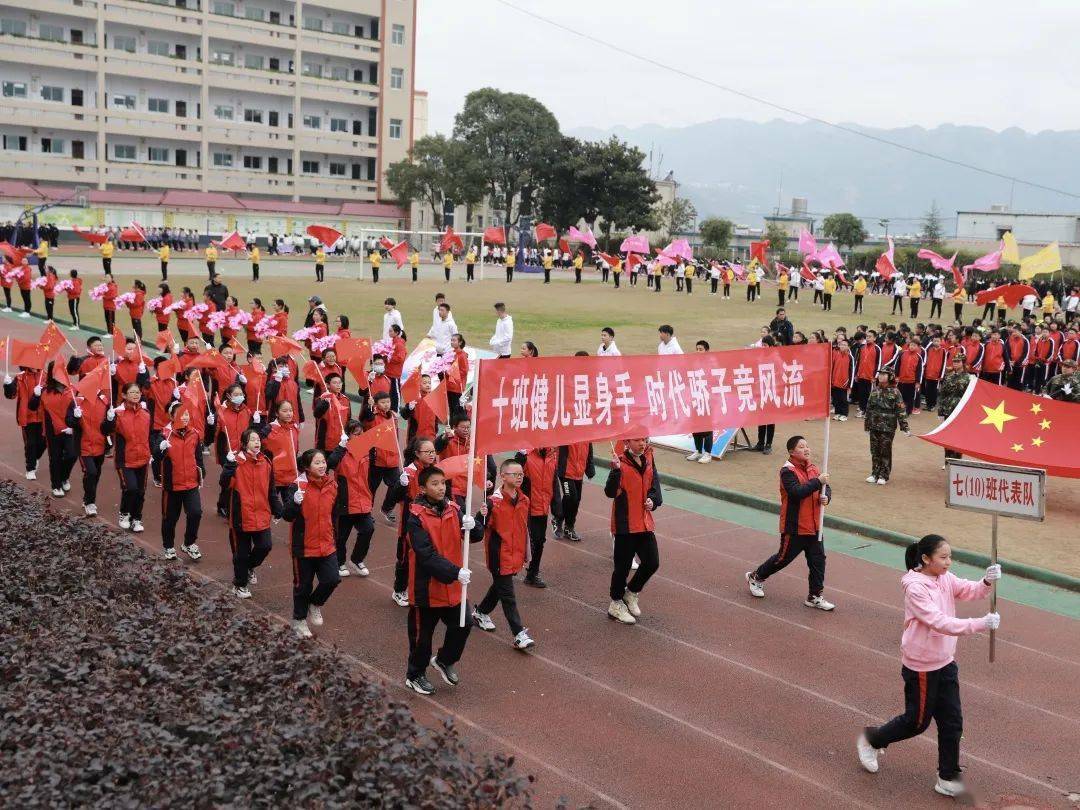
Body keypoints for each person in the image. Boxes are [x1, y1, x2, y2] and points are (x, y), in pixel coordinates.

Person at [857, 534, 1001, 798]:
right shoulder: (915, 588)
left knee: (952, 721)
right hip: (922, 665)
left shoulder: (944, 577)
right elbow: (939, 622)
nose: (948, 562)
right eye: (943, 557)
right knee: (917, 722)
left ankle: (948, 776)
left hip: (945, 661)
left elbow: (966, 590)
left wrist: (986, 581)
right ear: (925, 559)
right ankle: (872, 739)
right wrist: (980, 624)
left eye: (950, 557)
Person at [402, 465, 486, 695]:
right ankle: (415, 674)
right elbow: (426, 555)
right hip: (427, 589)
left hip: (454, 587)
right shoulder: (416, 518)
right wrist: (454, 572)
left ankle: (444, 659)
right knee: (422, 638)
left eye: (443, 483)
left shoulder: (453, 509)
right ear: (422, 488)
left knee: (464, 624)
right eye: (435, 484)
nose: (441, 488)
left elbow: (475, 536)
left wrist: (474, 525)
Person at [745, 435, 834, 610]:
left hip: (815, 526)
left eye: (807, 446)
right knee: (783, 559)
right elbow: (796, 492)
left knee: (818, 561)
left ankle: (815, 596)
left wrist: (826, 497)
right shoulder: (787, 471)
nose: (806, 449)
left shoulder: (814, 469)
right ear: (792, 451)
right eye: (801, 447)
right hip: (795, 527)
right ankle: (756, 577)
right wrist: (818, 482)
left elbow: (826, 487)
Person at [472, 457, 536, 650]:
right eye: (515, 474)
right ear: (502, 476)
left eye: (521, 474)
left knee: (499, 588)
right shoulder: (492, 503)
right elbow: (477, 531)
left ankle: (481, 612)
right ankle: (518, 634)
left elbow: (523, 528)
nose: (519, 477)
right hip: (499, 556)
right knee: (508, 595)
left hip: (515, 555)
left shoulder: (524, 499)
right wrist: (479, 516)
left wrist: (525, 552)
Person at [284, 449, 341, 638]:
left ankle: (315, 604)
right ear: (307, 467)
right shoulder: (297, 486)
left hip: (327, 544)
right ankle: (299, 620)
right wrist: (294, 502)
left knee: (332, 579)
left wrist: (334, 536)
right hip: (304, 547)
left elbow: (333, 514)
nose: (323, 465)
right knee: (303, 586)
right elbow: (287, 515)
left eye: (323, 462)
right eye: (317, 463)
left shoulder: (332, 484)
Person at [605, 438, 662, 625]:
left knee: (652, 562)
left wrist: (653, 500)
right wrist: (614, 471)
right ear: (627, 442)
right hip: (625, 526)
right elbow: (610, 492)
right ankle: (615, 604)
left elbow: (655, 488)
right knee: (621, 568)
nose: (642, 444)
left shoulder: (647, 460)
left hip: (644, 523)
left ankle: (631, 592)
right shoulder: (619, 463)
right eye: (638, 440)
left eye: (644, 440)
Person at [220, 428, 283, 598]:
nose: (257, 442)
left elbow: (271, 490)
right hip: (241, 517)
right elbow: (224, 483)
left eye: (258, 440)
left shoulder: (266, 462)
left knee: (265, 546)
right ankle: (240, 584)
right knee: (240, 554)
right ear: (244, 443)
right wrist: (228, 467)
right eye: (253, 439)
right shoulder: (236, 462)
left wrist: (277, 508)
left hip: (261, 515)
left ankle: (248, 567)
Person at [155, 401, 205, 559]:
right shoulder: (164, 434)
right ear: (171, 416)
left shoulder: (194, 434)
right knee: (170, 518)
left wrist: (202, 472)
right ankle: (168, 546)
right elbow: (156, 456)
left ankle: (189, 543)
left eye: (186, 414)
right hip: (172, 486)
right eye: (180, 414)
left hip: (191, 483)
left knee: (195, 513)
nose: (184, 417)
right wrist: (160, 448)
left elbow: (198, 458)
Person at [326, 419, 376, 577]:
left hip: (363, 501)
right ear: (348, 435)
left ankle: (356, 559)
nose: (360, 437)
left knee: (368, 529)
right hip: (345, 502)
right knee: (341, 537)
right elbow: (330, 464)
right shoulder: (341, 453)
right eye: (356, 434)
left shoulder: (366, 451)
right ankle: (340, 562)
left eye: (362, 434)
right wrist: (340, 447)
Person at [102, 382, 152, 532]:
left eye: (138, 392)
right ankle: (124, 513)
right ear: (124, 395)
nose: (136, 395)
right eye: (132, 392)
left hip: (143, 458)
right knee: (130, 488)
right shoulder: (117, 413)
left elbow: (147, 435)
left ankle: (136, 518)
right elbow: (105, 430)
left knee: (141, 492)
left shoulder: (145, 413)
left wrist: (151, 451)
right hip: (125, 460)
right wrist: (109, 419)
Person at [516, 446, 561, 588]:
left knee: (539, 540)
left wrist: (556, 507)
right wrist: (520, 458)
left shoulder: (552, 456)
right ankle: (507, 567)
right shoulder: (525, 454)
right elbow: (513, 476)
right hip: (525, 507)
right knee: (521, 539)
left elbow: (554, 482)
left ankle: (532, 574)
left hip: (542, 508)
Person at [864, 369, 910, 485]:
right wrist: (867, 425)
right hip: (874, 425)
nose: (880, 376)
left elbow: (901, 410)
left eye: (884, 374)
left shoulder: (895, 392)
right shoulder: (875, 390)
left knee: (885, 451)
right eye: (880, 374)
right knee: (874, 451)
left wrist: (904, 427)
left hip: (887, 427)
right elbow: (869, 408)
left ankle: (884, 475)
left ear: (890, 377)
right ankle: (875, 473)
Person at [4, 363, 46, 480]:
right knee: (31, 444)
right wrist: (8, 386)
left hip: (43, 416)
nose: (34, 365)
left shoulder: (44, 376)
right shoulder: (20, 378)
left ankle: (35, 457)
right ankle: (30, 468)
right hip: (27, 417)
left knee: (44, 442)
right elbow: (11, 395)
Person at [555, 436, 595, 540]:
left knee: (576, 500)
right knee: (570, 497)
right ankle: (558, 519)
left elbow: (589, 451)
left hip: (579, 472)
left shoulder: (586, 433)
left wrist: (590, 469)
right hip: (566, 471)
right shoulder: (567, 430)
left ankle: (569, 527)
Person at [687, 340, 715, 462]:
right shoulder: (693, 364)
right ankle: (698, 451)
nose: (698, 351)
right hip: (695, 398)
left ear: (707, 351)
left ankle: (708, 453)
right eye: (697, 349)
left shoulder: (712, 364)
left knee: (707, 427)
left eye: (701, 349)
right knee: (696, 425)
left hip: (707, 400)